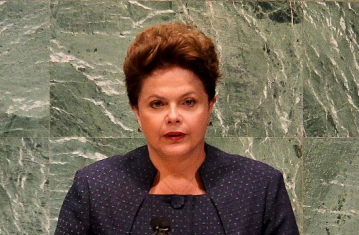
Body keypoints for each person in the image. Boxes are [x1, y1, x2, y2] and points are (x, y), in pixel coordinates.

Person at [55, 22, 299, 235]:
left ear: (210, 106)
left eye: (188, 102)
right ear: (136, 112)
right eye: (157, 104)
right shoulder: (96, 187)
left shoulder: (259, 187)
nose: (173, 117)